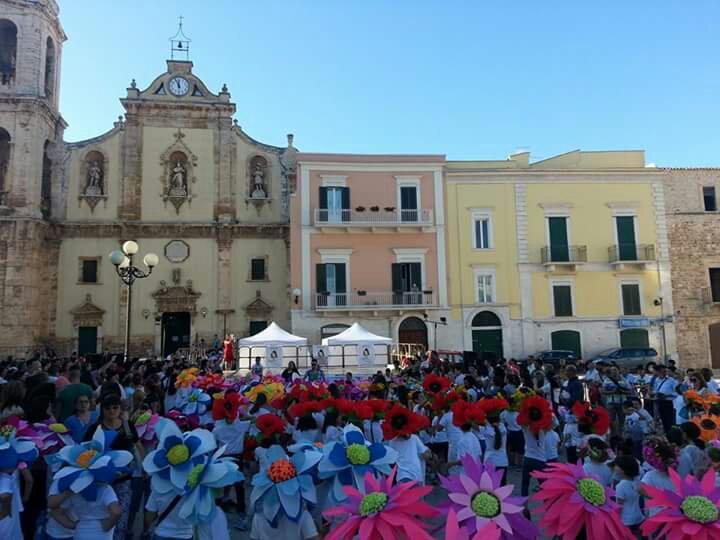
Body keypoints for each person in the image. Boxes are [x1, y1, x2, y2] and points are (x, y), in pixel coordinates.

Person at [83, 395, 141, 540]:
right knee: (102, 514)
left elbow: (134, 444)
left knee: (121, 514)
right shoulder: (95, 428)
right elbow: (84, 449)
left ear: (120, 409)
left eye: (115, 407)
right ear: (102, 410)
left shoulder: (127, 425)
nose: (111, 411)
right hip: (101, 480)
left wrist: (142, 468)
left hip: (124, 478)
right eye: (107, 408)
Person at [613, 455, 643, 532]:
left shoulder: (620, 486)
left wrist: (615, 519)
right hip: (638, 517)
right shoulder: (636, 482)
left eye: (616, 465)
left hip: (626, 520)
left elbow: (619, 505)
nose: (614, 467)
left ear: (622, 470)